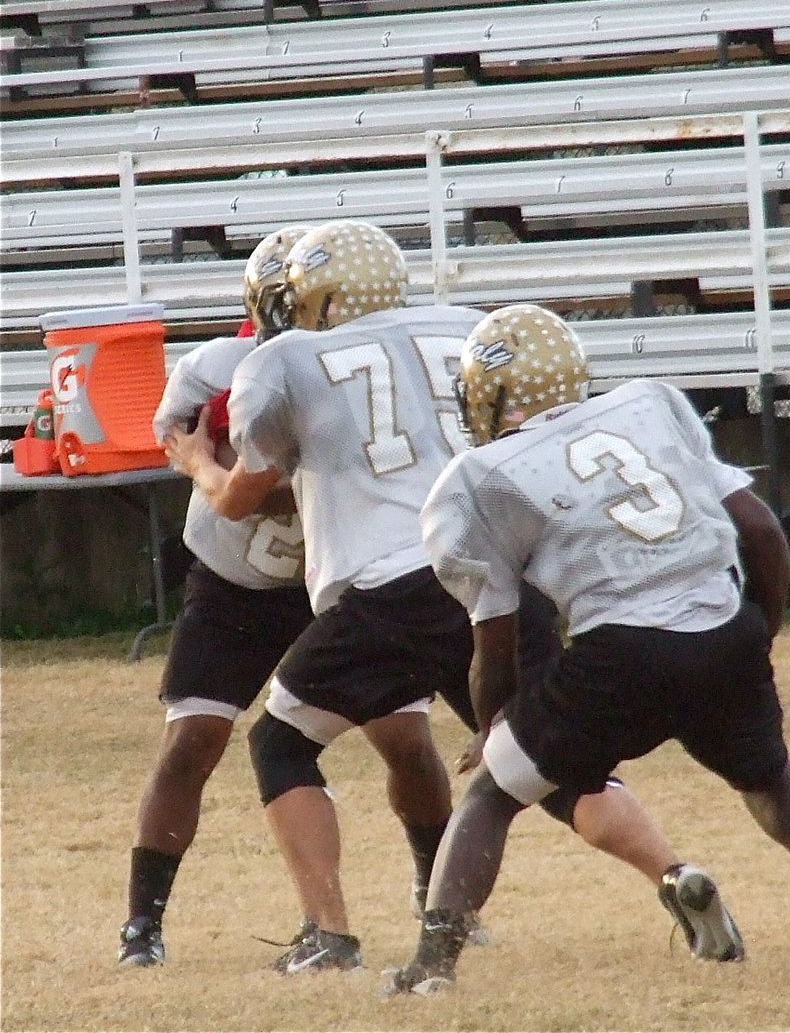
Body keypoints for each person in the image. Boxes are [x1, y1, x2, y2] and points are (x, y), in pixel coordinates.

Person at [164, 219, 743, 976]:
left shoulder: (285, 358)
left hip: (385, 586)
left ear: (321, 297)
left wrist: (196, 462)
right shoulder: (463, 328)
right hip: (488, 574)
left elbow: (242, 498)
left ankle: (329, 934)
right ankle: (672, 872)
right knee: (550, 761)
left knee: (280, 742)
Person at [384, 302, 790, 995]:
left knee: (492, 794)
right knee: (767, 772)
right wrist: (759, 628)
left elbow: (495, 636)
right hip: (722, 627)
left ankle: (431, 967)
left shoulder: (478, 478)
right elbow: (761, 530)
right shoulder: (650, 403)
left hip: (621, 652)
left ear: (493, 395)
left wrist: (491, 726)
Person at [119, 225, 314, 967]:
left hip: (338, 579)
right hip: (234, 581)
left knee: (403, 736)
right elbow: (188, 447)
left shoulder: (370, 371)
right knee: (193, 739)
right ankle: (142, 924)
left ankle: (439, 900)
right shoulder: (216, 369)